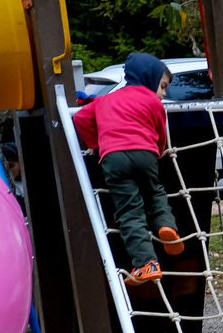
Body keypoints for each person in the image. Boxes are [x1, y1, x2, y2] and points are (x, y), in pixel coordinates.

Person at [72, 52, 183, 286]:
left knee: (130, 210)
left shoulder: (105, 100)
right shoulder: (152, 102)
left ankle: (146, 264)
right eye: (162, 87)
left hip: (113, 157)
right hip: (146, 154)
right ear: (149, 78)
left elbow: (81, 118)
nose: (163, 94)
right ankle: (167, 227)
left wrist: (97, 144)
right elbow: (160, 130)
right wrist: (158, 150)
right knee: (155, 192)